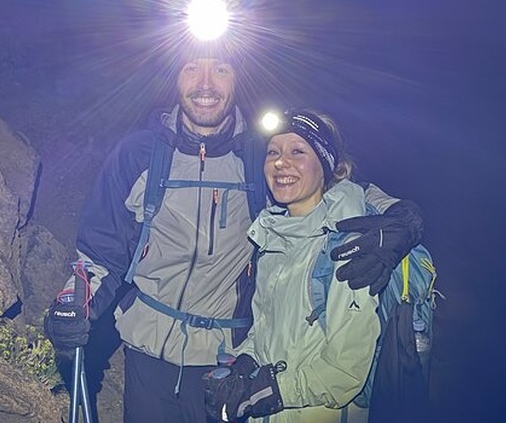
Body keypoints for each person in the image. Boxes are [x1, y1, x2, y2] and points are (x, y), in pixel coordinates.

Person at [44, 53, 424, 423]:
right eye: (191, 67)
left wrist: (403, 219)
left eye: (221, 69)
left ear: (237, 78)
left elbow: (336, 182)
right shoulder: (138, 154)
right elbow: (101, 253)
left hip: (226, 360)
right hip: (147, 354)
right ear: (173, 76)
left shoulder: (260, 154)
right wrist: (75, 302)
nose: (205, 84)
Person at [204, 109, 382, 423]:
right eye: (273, 152)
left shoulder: (347, 244)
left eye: (297, 151)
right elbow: (264, 330)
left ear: (326, 165)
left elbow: (345, 370)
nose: (280, 162)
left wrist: (269, 392)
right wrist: (244, 364)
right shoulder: (271, 237)